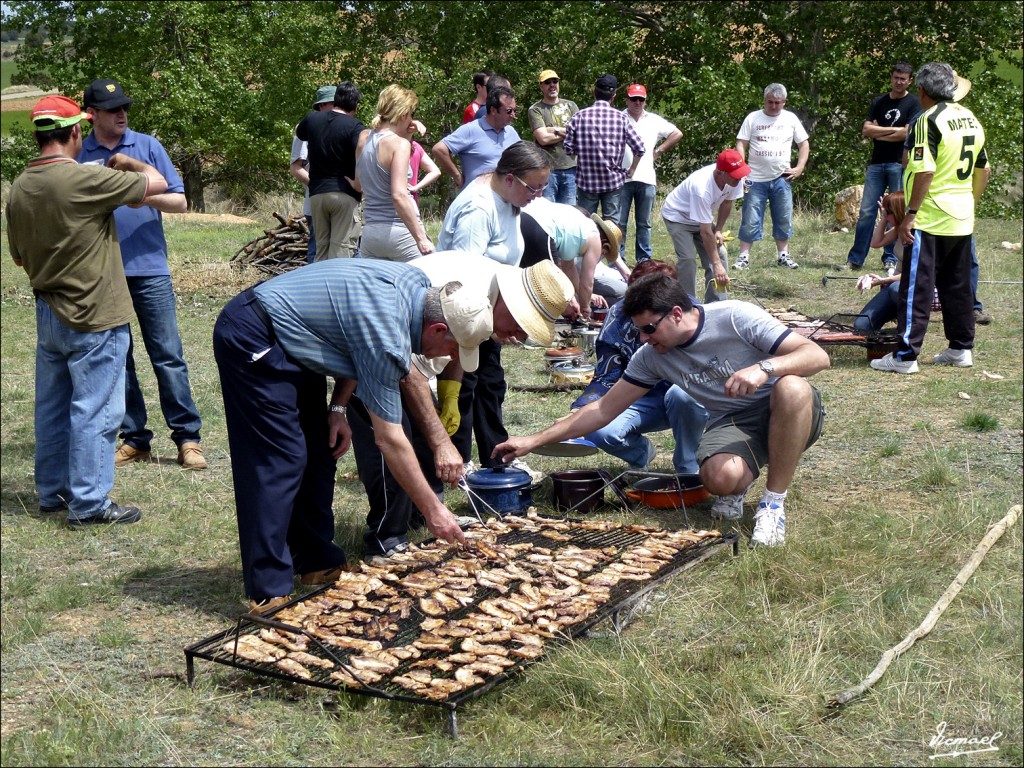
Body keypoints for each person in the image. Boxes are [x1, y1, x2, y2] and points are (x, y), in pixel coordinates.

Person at [212, 258, 503, 613]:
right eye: (455, 348)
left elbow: (350, 341)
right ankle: (267, 586)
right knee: (280, 459)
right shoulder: (387, 336)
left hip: (299, 339)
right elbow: (390, 439)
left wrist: (337, 409)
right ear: (438, 329)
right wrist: (434, 510)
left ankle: (317, 562)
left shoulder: (419, 289)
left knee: (319, 451)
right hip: (255, 332)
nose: (452, 357)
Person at [493, 272, 830, 548]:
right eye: (639, 330)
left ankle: (773, 504)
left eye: (649, 328)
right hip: (733, 421)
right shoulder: (652, 357)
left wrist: (764, 369)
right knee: (718, 479)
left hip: (786, 408)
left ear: (677, 314)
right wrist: (533, 441)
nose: (643, 338)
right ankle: (737, 485)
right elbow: (603, 410)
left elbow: (817, 356)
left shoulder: (734, 316)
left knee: (792, 386)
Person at [6, 94, 168, 526]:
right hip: (95, 313)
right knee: (97, 410)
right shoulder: (82, 180)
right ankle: (90, 503)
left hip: (48, 313)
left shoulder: (20, 187)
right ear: (76, 131)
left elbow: (18, 257)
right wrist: (129, 163)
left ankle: (52, 493)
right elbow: (158, 184)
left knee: (54, 409)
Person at [348, 256, 574, 557]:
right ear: (511, 303)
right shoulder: (469, 294)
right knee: (396, 437)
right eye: (522, 327)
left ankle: (425, 514)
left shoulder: (491, 301)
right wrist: (441, 440)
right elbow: (409, 374)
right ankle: (386, 536)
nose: (519, 338)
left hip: (411, 357)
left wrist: (450, 393)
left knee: (428, 428)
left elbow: (463, 346)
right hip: (375, 351)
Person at [77, 78, 206, 471]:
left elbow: (181, 201)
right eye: (112, 109)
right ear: (92, 115)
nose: (121, 114)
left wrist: (137, 192)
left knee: (168, 356)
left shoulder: (147, 146)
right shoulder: (80, 153)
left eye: (124, 108)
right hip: (104, 271)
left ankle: (188, 439)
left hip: (149, 268)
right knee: (120, 359)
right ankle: (135, 439)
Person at [436, 142, 552, 478]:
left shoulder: (509, 199)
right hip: (466, 313)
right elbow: (462, 276)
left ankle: (496, 455)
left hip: (491, 308)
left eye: (544, 186)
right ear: (511, 178)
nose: (538, 194)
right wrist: (490, 323)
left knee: (490, 382)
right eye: (535, 187)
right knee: (464, 385)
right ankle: (457, 460)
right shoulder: (478, 207)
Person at [871, 63, 988, 374]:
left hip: (931, 217)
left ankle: (905, 356)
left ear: (921, 90)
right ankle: (960, 349)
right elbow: (984, 169)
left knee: (916, 287)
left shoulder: (926, 120)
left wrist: (910, 215)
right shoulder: (970, 118)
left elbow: (924, 169)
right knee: (959, 287)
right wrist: (969, 202)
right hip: (961, 217)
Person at [571, 260, 708, 473]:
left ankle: (687, 466)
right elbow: (607, 373)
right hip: (637, 398)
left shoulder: (692, 313)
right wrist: (581, 409)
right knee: (596, 429)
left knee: (682, 395)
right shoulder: (618, 315)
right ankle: (640, 453)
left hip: (686, 398)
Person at [841, 62, 920, 273]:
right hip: (876, 164)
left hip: (898, 164)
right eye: (896, 77)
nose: (899, 82)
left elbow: (907, 134)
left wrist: (880, 130)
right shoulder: (879, 102)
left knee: (895, 212)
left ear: (910, 81)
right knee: (867, 211)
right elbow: (866, 130)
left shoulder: (914, 103)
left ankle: (891, 258)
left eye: (903, 79)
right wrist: (891, 131)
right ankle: (855, 259)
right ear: (891, 78)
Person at [733, 83, 810, 270]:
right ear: (764, 100)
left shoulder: (790, 119)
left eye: (777, 102)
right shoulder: (753, 118)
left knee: (783, 217)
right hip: (754, 177)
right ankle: (743, 257)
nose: (773, 106)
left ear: (784, 102)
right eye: (770, 102)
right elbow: (741, 143)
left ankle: (783, 255)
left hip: (782, 177)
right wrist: (741, 169)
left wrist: (799, 167)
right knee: (750, 217)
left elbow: (804, 144)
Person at [354, 84, 433, 261]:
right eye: (411, 114)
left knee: (377, 288)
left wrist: (406, 133)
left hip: (371, 234)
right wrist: (421, 238)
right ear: (403, 114)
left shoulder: (364, 138)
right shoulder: (400, 145)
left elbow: (358, 184)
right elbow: (398, 195)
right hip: (400, 232)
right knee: (431, 283)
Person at [661, 149, 749, 303]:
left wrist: (719, 230)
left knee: (721, 254)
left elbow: (727, 202)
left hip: (701, 218)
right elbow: (706, 232)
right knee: (688, 259)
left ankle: (717, 303)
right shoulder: (701, 188)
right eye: (735, 174)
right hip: (678, 216)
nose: (740, 177)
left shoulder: (735, 179)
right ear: (720, 172)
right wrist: (716, 265)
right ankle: (687, 303)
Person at [520, 198, 627, 318]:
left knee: (525, 278)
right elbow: (587, 283)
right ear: (605, 244)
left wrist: (580, 295)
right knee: (550, 284)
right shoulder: (595, 238)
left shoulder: (580, 229)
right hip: (541, 228)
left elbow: (569, 267)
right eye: (605, 252)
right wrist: (585, 307)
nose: (601, 255)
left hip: (523, 216)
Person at [295, 81, 364, 260]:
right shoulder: (356, 127)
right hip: (344, 194)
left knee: (321, 250)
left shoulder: (312, 119)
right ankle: (337, 288)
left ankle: (319, 286)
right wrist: (358, 184)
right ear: (355, 104)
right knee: (341, 251)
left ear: (336, 100)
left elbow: (299, 132)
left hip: (317, 194)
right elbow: (362, 155)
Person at [563, 74, 645, 222]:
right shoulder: (621, 118)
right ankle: (610, 246)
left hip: (586, 181)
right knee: (612, 227)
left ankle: (589, 246)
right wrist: (632, 169)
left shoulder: (579, 117)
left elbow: (568, 148)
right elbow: (639, 148)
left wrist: (584, 151)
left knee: (584, 224)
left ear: (594, 93)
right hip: (613, 181)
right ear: (613, 96)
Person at [618, 83, 682, 263]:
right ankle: (618, 259)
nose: (637, 102)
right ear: (627, 100)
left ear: (645, 101)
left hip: (646, 178)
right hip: (622, 178)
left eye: (641, 99)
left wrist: (658, 152)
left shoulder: (654, 120)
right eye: (633, 99)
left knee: (644, 223)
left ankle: (644, 260)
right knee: (619, 223)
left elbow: (676, 133)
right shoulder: (619, 117)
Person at [432, 85, 521, 190]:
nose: (513, 115)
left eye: (515, 110)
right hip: (478, 199)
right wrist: (457, 176)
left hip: (506, 198)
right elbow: (439, 149)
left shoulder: (511, 132)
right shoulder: (471, 129)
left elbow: (522, 159)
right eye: (509, 111)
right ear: (493, 110)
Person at [290, 85, 336, 263]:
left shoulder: (340, 126)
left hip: (338, 200)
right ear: (322, 105)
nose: (338, 108)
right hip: (315, 200)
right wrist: (318, 185)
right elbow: (296, 168)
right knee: (317, 248)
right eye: (334, 103)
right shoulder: (305, 129)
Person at [853, 191, 908, 332]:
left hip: (912, 288)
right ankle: (895, 318)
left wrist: (884, 280)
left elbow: (914, 273)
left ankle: (907, 327)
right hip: (893, 286)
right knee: (861, 327)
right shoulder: (898, 229)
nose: (886, 215)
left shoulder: (915, 234)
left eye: (888, 212)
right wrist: (884, 218)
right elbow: (876, 243)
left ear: (898, 212)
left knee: (896, 288)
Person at [528, 69, 579, 204]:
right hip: (547, 170)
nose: (552, 85)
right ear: (541, 86)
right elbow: (543, 139)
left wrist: (554, 130)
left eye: (555, 81)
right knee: (548, 212)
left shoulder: (571, 105)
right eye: (547, 82)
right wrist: (569, 133)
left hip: (571, 169)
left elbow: (579, 134)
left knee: (570, 213)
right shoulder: (535, 109)